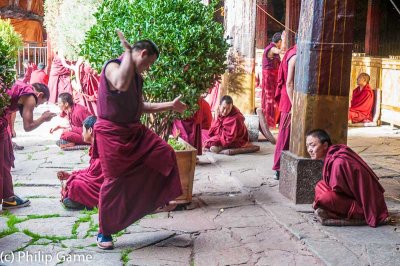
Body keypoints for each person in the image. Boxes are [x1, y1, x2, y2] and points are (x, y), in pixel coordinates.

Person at [94, 31, 186, 249]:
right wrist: (127, 51)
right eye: (149, 63)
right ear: (142, 53)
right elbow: (120, 83)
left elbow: (141, 106)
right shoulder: (112, 67)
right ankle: (104, 232)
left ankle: (153, 200)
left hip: (134, 131)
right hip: (112, 134)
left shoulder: (136, 78)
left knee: (164, 153)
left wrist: (170, 105)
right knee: (114, 181)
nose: (148, 68)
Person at [306, 129, 389, 227]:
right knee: (320, 185)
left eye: (313, 145)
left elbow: (342, 191)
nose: (309, 150)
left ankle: (355, 215)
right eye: (307, 146)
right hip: (352, 195)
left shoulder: (339, 163)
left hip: (364, 205)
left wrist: (324, 200)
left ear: (325, 145)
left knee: (325, 198)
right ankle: (330, 208)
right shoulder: (333, 154)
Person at [1, 81, 56, 209]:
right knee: (3, 162)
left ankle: (8, 197)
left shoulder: (21, 85)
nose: (35, 106)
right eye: (39, 103)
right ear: (40, 94)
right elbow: (28, 126)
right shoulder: (31, 97)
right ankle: (8, 199)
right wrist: (43, 118)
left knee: (3, 161)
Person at [57, 116, 103, 210]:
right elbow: (91, 170)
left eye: (83, 130)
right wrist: (70, 175)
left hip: (103, 187)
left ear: (90, 130)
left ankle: (84, 201)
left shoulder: (102, 148)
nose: (82, 133)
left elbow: (96, 177)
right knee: (74, 182)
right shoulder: (95, 146)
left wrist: (73, 178)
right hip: (98, 181)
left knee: (74, 184)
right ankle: (79, 200)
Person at [272, 43, 297, 180]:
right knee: (285, 136)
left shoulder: (292, 51)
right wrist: (294, 104)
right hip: (289, 99)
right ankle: (278, 168)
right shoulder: (294, 56)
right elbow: (289, 83)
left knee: (287, 135)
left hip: (290, 97)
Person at [261, 32, 282, 128]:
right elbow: (277, 51)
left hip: (271, 76)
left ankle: (270, 120)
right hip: (270, 77)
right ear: (279, 42)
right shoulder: (272, 48)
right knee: (271, 98)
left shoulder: (269, 48)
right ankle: (270, 122)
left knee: (269, 98)